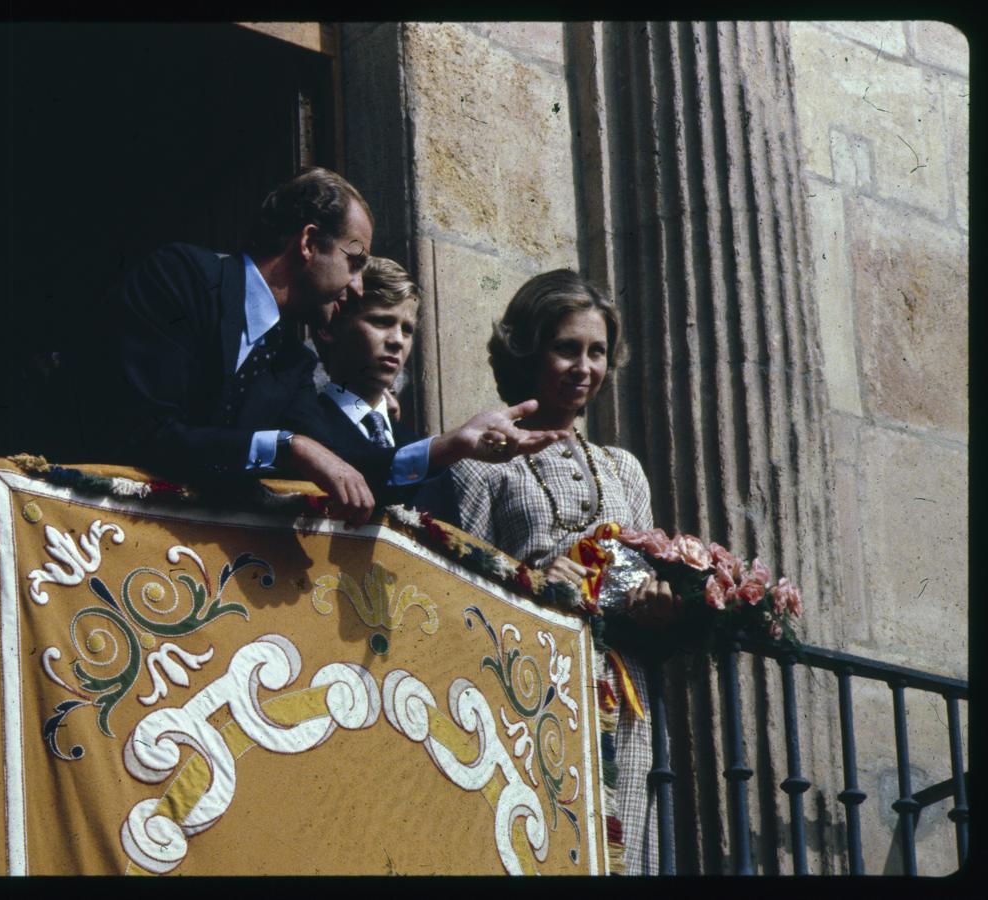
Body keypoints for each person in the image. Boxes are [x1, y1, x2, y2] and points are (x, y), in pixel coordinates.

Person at [91, 167, 564, 524]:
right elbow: (145, 431)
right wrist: (290, 447)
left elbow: (350, 465)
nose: (357, 286)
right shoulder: (183, 278)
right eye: (354, 262)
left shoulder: (291, 362)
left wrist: (451, 445)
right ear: (308, 242)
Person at [441, 269, 678, 875]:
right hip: (526, 691)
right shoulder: (482, 464)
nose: (584, 367)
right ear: (528, 350)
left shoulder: (623, 469)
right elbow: (459, 593)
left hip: (621, 696)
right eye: (566, 348)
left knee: (622, 853)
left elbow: (640, 572)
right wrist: (531, 577)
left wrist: (656, 602)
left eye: (596, 352)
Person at [310, 255, 421, 498]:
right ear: (330, 327)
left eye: (407, 329)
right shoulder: (305, 427)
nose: (397, 341)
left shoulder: (416, 447)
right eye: (381, 322)